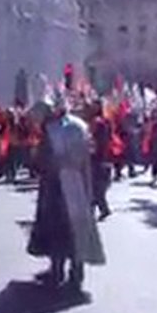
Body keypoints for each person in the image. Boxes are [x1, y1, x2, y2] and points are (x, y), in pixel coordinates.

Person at [27, 97, 105, 292]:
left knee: (66, 227)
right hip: (64, 184)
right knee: (62, 227)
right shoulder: (65, 127)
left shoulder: (65, 128)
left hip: (65, 184)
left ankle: (68, 272)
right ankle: (63, 270)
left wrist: (49, 162)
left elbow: (69, 157)